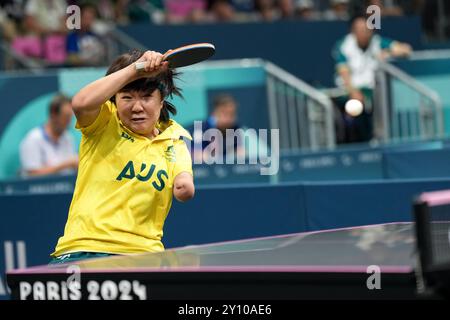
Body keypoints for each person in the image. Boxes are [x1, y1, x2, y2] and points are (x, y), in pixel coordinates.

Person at [50, 49, 195, 264]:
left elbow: (184, 187)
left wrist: (184, 186)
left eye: (147, 97)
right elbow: (81, 103)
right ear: (115, 101)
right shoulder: (104, 123)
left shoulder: (174, 140)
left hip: (145, 255)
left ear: (161, 101)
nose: (137, 107)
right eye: (127, 97)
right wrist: (136, 70)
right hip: (87, 249)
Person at [332, 15, 412, 142]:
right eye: (360, 30)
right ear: (353, 32)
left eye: (367, 30)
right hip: (348, 91)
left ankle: (377, 137)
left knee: (382, 98)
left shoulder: (377, 42)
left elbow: (406, 50)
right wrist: (353, 91)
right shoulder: (344, 45)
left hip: (372, 91)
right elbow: (343, 72)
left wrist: (388, 53)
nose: (364, 33)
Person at [19, 94, 78, 177]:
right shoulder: (33, 139)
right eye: (65, 117)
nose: (69, 122)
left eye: (70, 117)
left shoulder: (68, 138)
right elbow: (32, 175)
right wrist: (66, 164)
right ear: (53, 115)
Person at [190, 93, 244, 162]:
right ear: (215, 112)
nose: (228, 118)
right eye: (224, 113)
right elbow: (195, 154)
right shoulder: (199, 128)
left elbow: (239, 152)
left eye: (232, 114)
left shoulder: (235, 128)